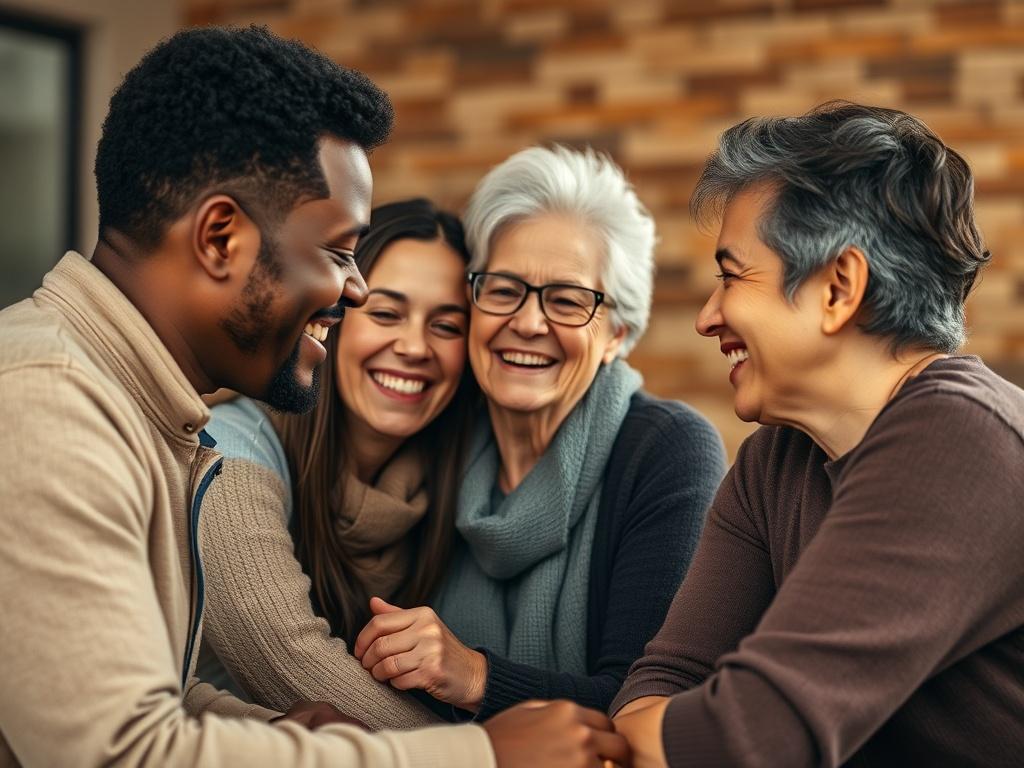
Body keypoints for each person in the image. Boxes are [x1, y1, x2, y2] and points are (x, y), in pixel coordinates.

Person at [0, 26, 629, 768]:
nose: (353, 291)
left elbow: (140, 693)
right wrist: (481, 756)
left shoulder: (130, 405)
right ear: (220, 238)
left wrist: (277, 734)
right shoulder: (49, 406)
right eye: (337, 253)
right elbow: (125, 754)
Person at [611, 102, 1024, 767]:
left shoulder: (965, 438)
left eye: (732, 275)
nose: (707, 317)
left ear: (838, 287)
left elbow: (744, 738)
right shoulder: (775, 461)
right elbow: (663, 681)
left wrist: (675, 736)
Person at [353, 145, 727, 719]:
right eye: (503, 290)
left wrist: (476, 675)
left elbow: (652, 709)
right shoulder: (433, 429)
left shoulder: (667, 451)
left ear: (616, 335)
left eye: (568, 300)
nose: (528, 323)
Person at [195, 198, 478, 729]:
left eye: (446, 325)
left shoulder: (447, 483)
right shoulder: (231, 449)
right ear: (334, 319)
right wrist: (498, 753)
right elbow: (289, 661)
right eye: (387, 313)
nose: (414, 346)